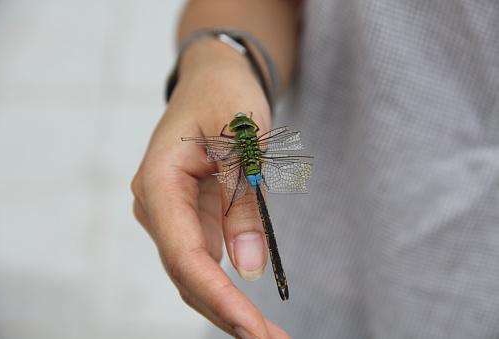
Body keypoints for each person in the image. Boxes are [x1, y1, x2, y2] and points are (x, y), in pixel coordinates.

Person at [132, 0, 499, 338]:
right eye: (241, 129)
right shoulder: (245, 147)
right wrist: (221, 60)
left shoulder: (235, 148)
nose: (243, 128)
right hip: (320, 267)